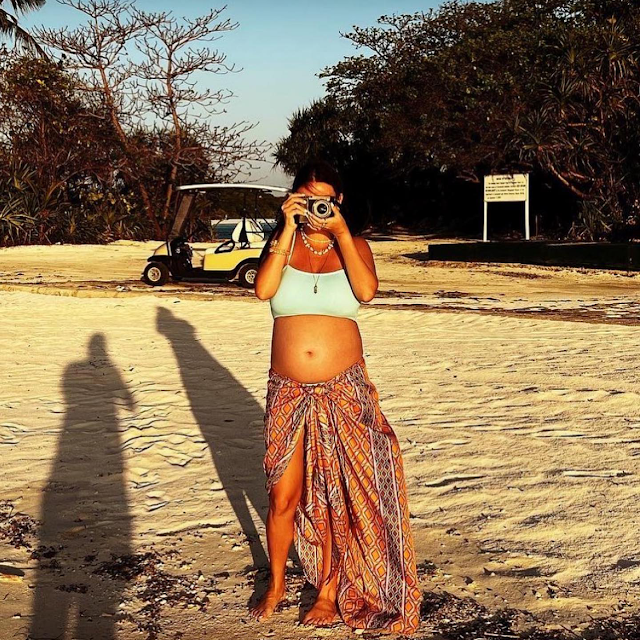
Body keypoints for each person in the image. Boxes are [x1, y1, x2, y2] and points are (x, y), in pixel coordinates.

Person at [251, 159, 421, 633]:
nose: (316, 208)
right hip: (287, 390)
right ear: (294, 199)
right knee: (282, 493)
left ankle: (327, 591)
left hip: (343, 387)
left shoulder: (356, 246)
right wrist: (286, 227)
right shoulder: (281, 243)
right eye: (307, 199)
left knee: (334, 490)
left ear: (339, 201)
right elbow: (263, 290)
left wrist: (342, 232)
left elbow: (366, 292)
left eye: (324, 200)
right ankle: (277, 583)